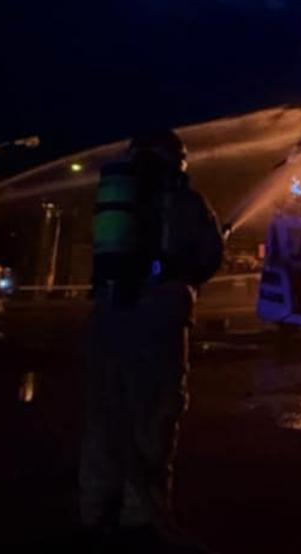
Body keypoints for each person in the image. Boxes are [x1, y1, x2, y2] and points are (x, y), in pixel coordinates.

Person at [79, 130, 223, 549]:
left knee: (104, 412)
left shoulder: (114, 198)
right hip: (158, 316)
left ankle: (93, 511)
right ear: (177, 160)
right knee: (155, 413)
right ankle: (139, 519)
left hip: (107, 312)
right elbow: (209, 256)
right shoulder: (186, 202)